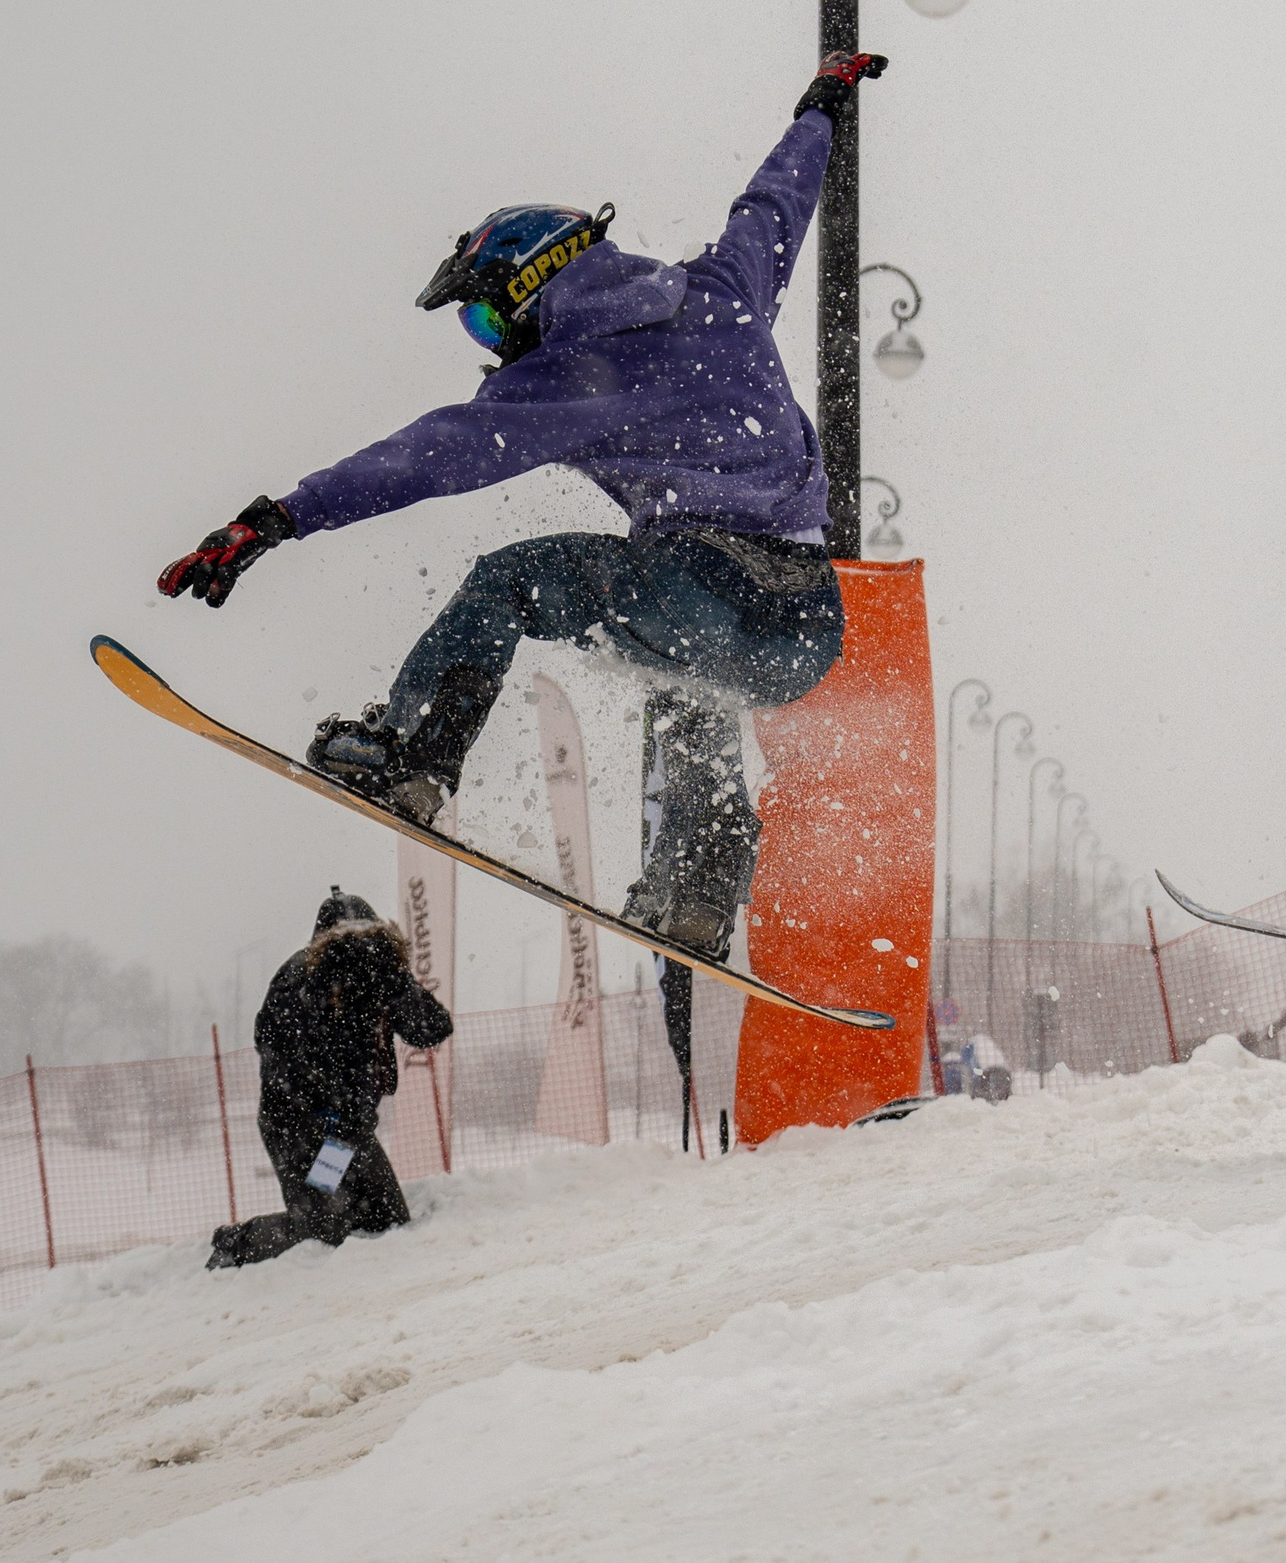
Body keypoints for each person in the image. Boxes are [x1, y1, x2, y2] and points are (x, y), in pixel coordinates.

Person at [156, 52, 889, 963]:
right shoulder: (723, 288)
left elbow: (423, 455)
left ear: (531, 283)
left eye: (487, 318)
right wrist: (822, 107)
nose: (493, 344)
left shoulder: (569, 374)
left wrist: (278, 518)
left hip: (703, 583)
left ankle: (414, 755)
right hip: (809, 623)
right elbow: (775, 206)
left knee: (513, 580)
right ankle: (698, 887)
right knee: (689, 679)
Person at [207, 889, 453, 1269]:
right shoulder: (297, 981)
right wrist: (328, 1105)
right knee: (322, 1227)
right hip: (299, 1130)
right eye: (348, 946)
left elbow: (433, 1028)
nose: (359, 955)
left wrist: (399, 986)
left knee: (386, 1220)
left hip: (348, 1132)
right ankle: (236, 1243)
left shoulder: (380, 977)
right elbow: (276, 1055)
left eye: (368, 944)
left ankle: (332, 1222)